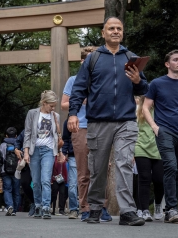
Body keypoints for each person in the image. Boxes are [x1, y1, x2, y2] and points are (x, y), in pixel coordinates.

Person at [68, 17, 148, 226]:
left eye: (119, 28)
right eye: (111, 28)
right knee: (98, 167)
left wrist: (138, 81)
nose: (115, 31)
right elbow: (78, 89)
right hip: (98, 121)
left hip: (126, 121)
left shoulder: (131, 57)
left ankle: (127, 212)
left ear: (123, 33)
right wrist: (73, 113)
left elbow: (143, 89)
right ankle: (95, 208)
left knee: (124, 165)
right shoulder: (93, 58)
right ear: (103, 33)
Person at [143, 49, 178, 224]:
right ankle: (172, 209)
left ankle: (169, 210)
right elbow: (145, 107)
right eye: (175, 60)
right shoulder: (157, 84)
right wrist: (154, 127)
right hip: (165, 130)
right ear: (167, 64)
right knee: (170, 166)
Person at [62, 46, 112, 222]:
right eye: (88, 59)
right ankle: (85, 207)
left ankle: (103, 207)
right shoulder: (74, 80)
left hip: (101, 125)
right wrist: (80, 99)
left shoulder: (103, 79)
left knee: (102, 170)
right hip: (81, 126)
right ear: (82, 61)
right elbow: (63, 104)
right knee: (84, 172)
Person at [23, 90, 64, 219]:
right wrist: (26, 152)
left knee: (46, 180)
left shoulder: (55, 116)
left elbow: (57, 136)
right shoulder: (32, 113)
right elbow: (27, 133)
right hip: (35, 150)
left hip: (48, 150)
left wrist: (59, 152)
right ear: (44, 103)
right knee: (36, 181)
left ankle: (46, 207)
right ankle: (38, 206)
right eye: (51, 105)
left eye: (54, 106)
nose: (53, 108)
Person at [134, 96, 164, 221]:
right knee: (144, 178)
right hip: (141, 147)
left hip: (158, 148)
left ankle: (157, 205)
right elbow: (133, 132)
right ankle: (144, 209)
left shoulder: (160, 110)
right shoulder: (137, 111)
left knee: (159, 179)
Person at [0, 127, 20, 216]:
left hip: (5, 171)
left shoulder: (2, 146)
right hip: (17, 171)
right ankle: (14, 210)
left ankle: (9, 206)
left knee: (7, 189)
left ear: (6, 135)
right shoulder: (19, 145)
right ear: (16, 136)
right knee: (16, 190)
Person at [14, 129, 36, 216]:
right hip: (26, 161)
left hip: (39, 160)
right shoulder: (25, 131)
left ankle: (42, 205)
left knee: (40, 183)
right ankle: (34, 202)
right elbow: (18, 141)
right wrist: (16, 149)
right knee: (24, 183)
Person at [61, 119, 79, 219]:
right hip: (73, 156)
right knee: (72, 185)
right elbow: (66, 139)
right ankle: (73, 209)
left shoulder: (92, 114)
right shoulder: (68, 120)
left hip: (88, 154)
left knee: (89, 183)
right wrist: (63, 153)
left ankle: (89, 209)